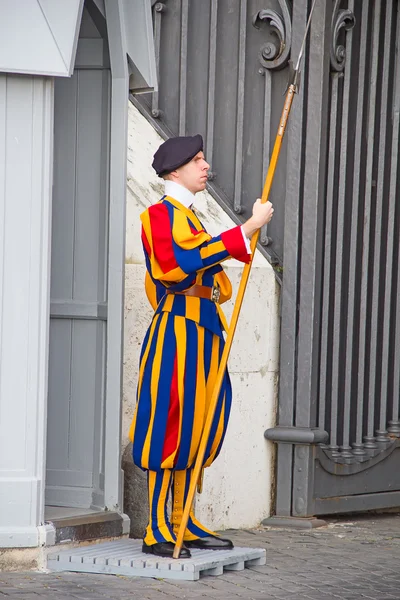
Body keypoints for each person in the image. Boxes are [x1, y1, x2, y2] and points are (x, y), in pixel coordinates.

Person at [129, 134, 274, 559]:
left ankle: (181, 519)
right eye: (197, 160)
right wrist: (244, 229)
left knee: (201, 424)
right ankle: (157, 528)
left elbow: (211, 268)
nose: (205, 166)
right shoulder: (158, 215)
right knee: (169, 422)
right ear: (175, 171)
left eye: (203, 159)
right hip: (177, 332)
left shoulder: (191, 218)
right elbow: (176, 266)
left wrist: (239, 238)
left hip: (205, 334)